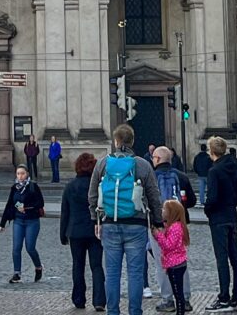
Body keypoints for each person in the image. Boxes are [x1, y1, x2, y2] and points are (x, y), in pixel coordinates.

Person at [88, 123, 163, 315]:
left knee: (112, 274)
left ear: (116, 141)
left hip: (110, 223)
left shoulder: (103, 163)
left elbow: (92, 196)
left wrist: (96, 220)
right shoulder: (142, 164)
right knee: (135, 273)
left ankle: (112, 312)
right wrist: (157, 222)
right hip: (136, 225)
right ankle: (135, 312)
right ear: (132, 141)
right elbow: (154, 196)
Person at [203, 135, 237, 312]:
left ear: (211, 151)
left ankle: (223, 298)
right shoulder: (232, 167)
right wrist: (230, 203)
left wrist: (208, 209)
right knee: (235, 258)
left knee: (222, 259)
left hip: (218, 219)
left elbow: (212, 198)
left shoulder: (214, 171)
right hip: (231, 217)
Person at [150, 145, 195, 313]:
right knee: (180, 260)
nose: (152, 160)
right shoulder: (181, 176)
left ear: (159, 159)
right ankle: (185, 298)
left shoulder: (152, 177)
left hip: (159, 225)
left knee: (162, 263)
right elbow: (191, 200)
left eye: (154, 157)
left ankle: (168, 299)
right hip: (179, 224)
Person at [61, 152, 106, 312]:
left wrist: (63, 234)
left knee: (78, 265)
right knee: (97, 266)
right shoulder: (98, 186)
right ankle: (99, 300)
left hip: (75, 231)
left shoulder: (70, 186)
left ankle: (79, 299)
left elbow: (65, 212)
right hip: (95, 230)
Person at [0, 164, 45, 283]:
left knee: (30, 247)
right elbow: (10, 203)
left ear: (27, 174)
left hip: (32, 220)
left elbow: (40, 202)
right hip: (18, 220)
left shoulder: (33, 186)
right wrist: (2, 223)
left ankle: (38, 267)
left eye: (22, 173)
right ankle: (17, 273)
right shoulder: (14, 187)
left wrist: (28, 207)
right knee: (16, 248)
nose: (20, 176)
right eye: (18, 173)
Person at [152, 200, 190, 315]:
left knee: (178, 294)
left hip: (175, 264)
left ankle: (180, 312)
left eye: (164, 209)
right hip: (176, 263)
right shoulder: (176, 226)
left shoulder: (175, 228)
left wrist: (158, 235)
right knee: (178, 292)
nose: (162, 211)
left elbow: (168, 245)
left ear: (171, 213)